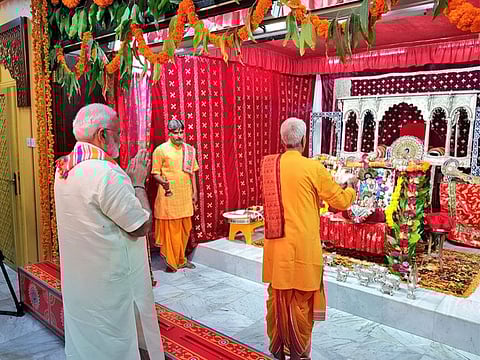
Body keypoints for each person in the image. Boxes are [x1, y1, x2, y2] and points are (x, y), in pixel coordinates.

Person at [54, 104, 165, 360]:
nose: (121, 138)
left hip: (81, 279)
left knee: (87, 338)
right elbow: (140, 226)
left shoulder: (64, 168)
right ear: (102, 135)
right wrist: (137, 183)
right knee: (115, 342)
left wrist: (124, 183)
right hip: (110, 283)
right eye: (118, 132)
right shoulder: (107, 174)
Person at [261, 117, 357, 360]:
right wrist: (352, 186)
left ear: (283, 140)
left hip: (276, 246)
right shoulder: (312, 167)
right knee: (301, 300)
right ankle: (298, 354)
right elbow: (341, 201)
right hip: (302, 247)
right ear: (303, 141)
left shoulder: (268, 165)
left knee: (278, 298)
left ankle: (279, 350)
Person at [151, 119, 199, 272]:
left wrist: (195, 192)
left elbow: (192, 173)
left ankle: (181, 259)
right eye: (175, 133)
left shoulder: (189, 150)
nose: (179, 136)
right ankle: (171, 263)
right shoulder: (161, 150)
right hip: (169, 196)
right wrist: (164, 183)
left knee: (185, 228)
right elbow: (155, 173)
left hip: (185, 195)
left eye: (181, 132)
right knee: (172, 230)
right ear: (169, 133)